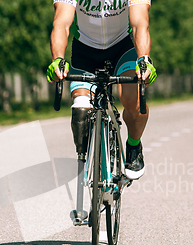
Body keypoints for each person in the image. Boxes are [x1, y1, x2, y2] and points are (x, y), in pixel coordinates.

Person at [47, 0, 156, 180]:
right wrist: (58, 58)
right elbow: (61, 24)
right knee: (81, 109)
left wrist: (144, 59)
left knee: (132, 100)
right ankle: (89, 161)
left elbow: (139, 24)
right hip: (85, 51)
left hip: (121, 48)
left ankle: (134, 145)